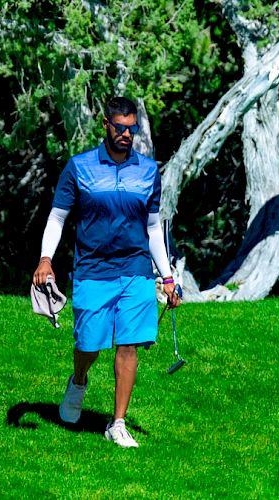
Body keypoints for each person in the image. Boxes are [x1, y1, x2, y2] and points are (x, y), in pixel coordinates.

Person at [32, 96, 181, 448]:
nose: (127, 134)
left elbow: (154, 227)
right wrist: (45, 259)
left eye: (132, 128)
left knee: (128, 345)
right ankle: (79, 381)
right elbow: (57, 217)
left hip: (135, 269)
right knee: (88, 342)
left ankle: (117, 423)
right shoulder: (80, 167)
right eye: (120, 127)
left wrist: (168, 275)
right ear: (106, 125)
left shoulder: (147, 171)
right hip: (92, 270)